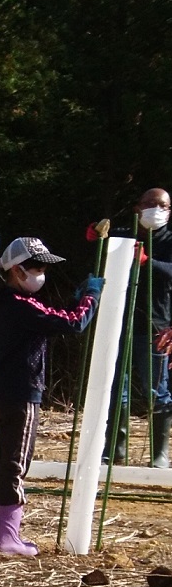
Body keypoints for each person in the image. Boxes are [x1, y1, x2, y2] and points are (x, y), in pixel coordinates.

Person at [0, 237, 101, 555]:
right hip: (22, 396)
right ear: (18, 271)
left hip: (1, 393)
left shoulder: (5, 302)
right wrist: (91, 296)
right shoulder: (22, 305)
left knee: (0, 463)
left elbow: (55, 315)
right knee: (15, 466)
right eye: (38, 269)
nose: (42, 275)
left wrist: (75, 301)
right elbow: (74, 323)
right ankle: (6, 537)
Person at [93, 188, 172, 467]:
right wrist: (95, 236)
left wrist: (147, 262)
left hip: (156, 326)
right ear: (138, 208)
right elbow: (101, 244)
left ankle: (160, 454)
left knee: (157, 390)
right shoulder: (125, 236)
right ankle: (116, 448)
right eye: (149, 203)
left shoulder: (169, 240)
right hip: (119, 322)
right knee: (116, 388)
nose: (155, 209)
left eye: (162, 205)